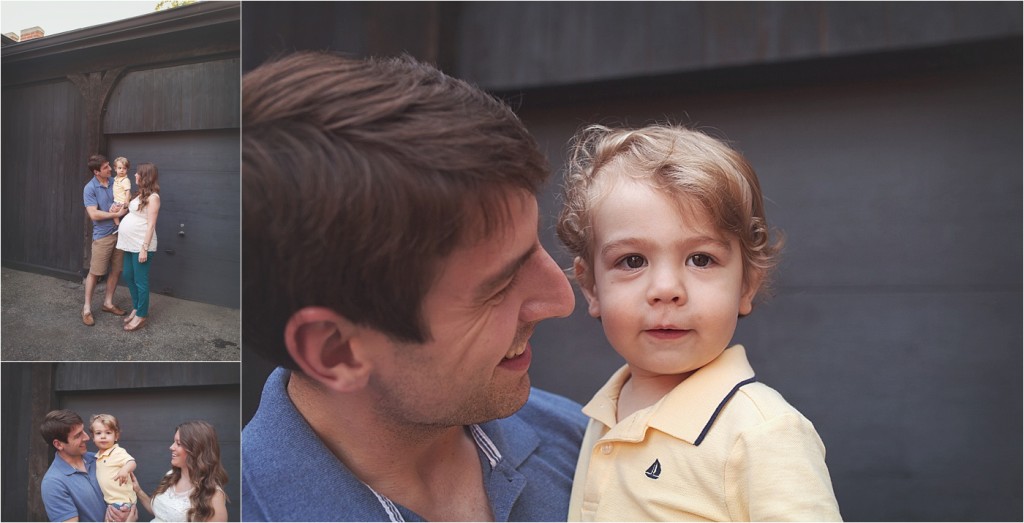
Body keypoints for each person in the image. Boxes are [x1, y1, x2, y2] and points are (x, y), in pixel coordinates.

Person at [242, 51, 587, 521]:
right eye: (498, 286)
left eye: (535, 249)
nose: (561, 300)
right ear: (334, 350)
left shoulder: (588, 445)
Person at [556, 124, 842, 521]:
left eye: (701, 259)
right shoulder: (604, 414)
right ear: (591, 288)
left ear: (746, 286)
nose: (667, 289)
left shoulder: (762, 433)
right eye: (632, 261)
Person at [40, 409, 136, 522]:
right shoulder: (53, 482)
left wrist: (130, 512)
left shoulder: (100, 459)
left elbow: (129, 490)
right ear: (58, 444)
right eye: (78, 435)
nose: (87, 437)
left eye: (83, 431)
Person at [131, 420, 229, 522]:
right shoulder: (171, 476)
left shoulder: (213, 495)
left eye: (178, 443)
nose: (171, 447)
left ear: (196, 450)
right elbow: (160, 513)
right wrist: (138, 490)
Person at [82, 154, 129, 326]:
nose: (111, 169)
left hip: (120, 233)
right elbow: (93, 213)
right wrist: (116, 214)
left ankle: (108, 303)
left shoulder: (115, 182)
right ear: (96, 172)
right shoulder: (90, 188)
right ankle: (86, 308)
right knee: (95, 272)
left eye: (110, 165)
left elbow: (125, 199)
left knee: (116, 270)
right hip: (103, 236)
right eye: (106, 167)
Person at [116, 163, 161, 332]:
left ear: (146, 176)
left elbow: (151, 225)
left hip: (142, 245)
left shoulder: (153, 198)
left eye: (138, 174)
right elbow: (133, 213)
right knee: (128, 274)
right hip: (130, 244)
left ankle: (141, 315)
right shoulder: (140, 194)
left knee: (140, 281)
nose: (134, 175)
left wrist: (144, 248)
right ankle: (136, 307)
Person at [90, 414, 137, 512]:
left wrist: (124, 470)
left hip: (122, 501)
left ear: (116, 436)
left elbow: (132, 462)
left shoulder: (117, 451)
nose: (103, 436)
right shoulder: (97, 456)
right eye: (98, 433)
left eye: (108, 433)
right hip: (110, 501)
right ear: (93, 437)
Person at [111, 157, 132, 227]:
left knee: (112, 211)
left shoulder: (125, 180)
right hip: (116, 201)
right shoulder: (115, 179)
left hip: (122, 202)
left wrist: (126, 201)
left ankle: (118, 226)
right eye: (119, 168)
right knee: (112, 211)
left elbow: (127, 191)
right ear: (115, 169)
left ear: (127, 169)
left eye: (124, 168)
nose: (122, 170)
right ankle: (119, 225)